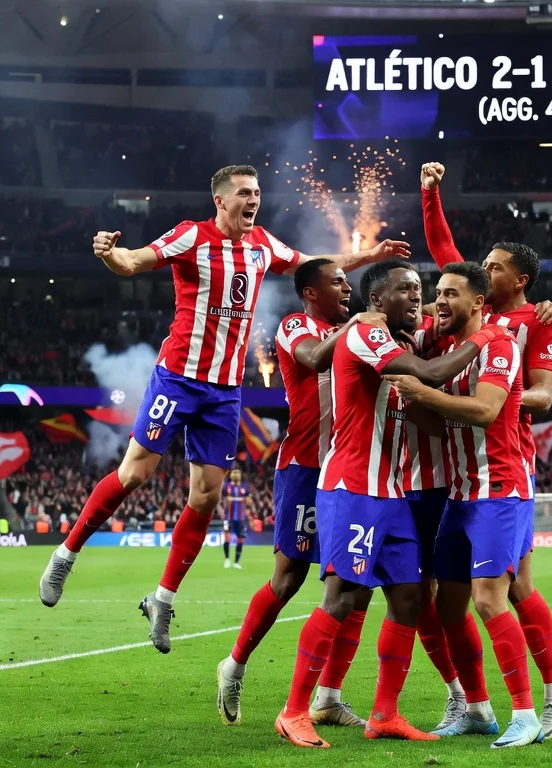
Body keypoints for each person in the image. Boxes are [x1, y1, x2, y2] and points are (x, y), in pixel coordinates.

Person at [36, 164, 409, 656]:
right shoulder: (191, 236)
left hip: (225, 390)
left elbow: (316, 262)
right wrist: (110, 254)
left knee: (206, 497)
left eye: (257, 192)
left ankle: (162, 599)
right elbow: (134, 261)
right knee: (135, 473)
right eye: (244, 193)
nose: (254, 200)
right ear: (220, 199)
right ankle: (66, 554)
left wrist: (370, 256)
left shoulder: (262, 245)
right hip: (179, 377)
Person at [274, 259, 503, 749]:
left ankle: (385, 714)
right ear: (377, 300)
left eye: (420, 289)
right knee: (342, 598)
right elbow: (427, 372)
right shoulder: (366, 333)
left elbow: (430, 399)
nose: (418, 298)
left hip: (392, 493)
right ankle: (294, 711)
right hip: (353, 487)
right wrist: (485, 338)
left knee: (409, 597)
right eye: (407, 289)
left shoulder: (397, 339)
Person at [419, 161, 552, 737]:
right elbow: (443, 249)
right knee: (489, 592)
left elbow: (542, 394)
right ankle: (487, 705)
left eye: (494, 268)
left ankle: (539, 704)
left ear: (517, 282)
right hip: (462, 474)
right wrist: (430, 191)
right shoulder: (457, 313)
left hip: (505, 463)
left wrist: (500, 389)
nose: (482, 270)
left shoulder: (535, 323)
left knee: (501, 592)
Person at [216, 258, 380, 728]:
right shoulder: (295, 325)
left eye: (348, 282)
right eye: (337, 282)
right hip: (306, 466)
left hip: (353, 468)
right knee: (288, 578)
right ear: (311, 292)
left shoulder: (360, 330)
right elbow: (313, 357)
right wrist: (355, 324)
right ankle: (236, 663)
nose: (347, 288)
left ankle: (328, 697)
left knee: (356, 583)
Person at [387, 261, 542, 748]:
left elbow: (486, 410)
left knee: (488, 599)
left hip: (498, 490)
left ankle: (526, 714)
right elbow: (442, 425)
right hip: (459, 494)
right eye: (437, 293)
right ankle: (476, 708)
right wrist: (412, 406)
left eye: (450, 294)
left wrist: (425, 392)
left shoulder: (498, 344)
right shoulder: (451, 350)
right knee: (449, 606)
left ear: (478, 302)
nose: (439, 302)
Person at [222, 469, 248, 570]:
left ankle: (237, 562)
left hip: (240, 518)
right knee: (227, 537)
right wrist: (222, 511)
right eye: (234, 472)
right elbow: (221, 500)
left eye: (238, 472)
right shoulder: (226, 486)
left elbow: (248, 502)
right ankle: (227, 559)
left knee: (241, 539)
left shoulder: (244, 487)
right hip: (228, 517)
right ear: (231, 475)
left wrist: (247, 501)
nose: (236, 474)